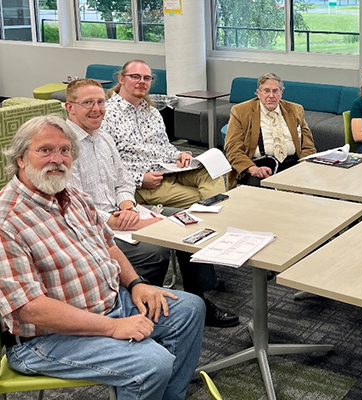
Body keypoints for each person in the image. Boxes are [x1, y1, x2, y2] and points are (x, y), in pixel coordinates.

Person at [0, 115, 205, 399]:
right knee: (151, 364)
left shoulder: (72, 195)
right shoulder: (6, 220)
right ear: (21, 159)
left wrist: (136, 285)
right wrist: (113, 327)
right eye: (45, 150)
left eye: (64, 151)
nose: (57, 159)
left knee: (190, 309)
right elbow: (29, 308)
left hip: (109, 303)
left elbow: (108, 246)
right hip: (46, 339)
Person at [65, 79, 239, 328]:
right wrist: (113, 219)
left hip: (125, 212)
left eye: (100, 102)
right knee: (155, 251)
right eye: (87, 103)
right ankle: (142, 306)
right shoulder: (64, 147)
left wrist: (126, 205)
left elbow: (123, 180)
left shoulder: (103, 137)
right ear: (70, 107)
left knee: (190, 224)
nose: (96, 109)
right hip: (93, 226)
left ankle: (199, 297)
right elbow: (72, 203)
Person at [102, 59, 226, 208]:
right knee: (203, 199)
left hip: (168, 169)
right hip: (145, 183)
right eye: (135, 76)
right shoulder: (106, 114)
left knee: (212, 173)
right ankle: (217, 221)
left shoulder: (152, 112)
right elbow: (105, 164)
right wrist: (139, 179)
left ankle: (216, 219)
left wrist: (179, 155)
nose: (142, 82)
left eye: (146, 78)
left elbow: (164, 146)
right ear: (121, 79)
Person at [224, 72, 316, 187]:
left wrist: (301, 167)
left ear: (281, 93)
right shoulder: (241, 111)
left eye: (275, 91)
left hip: (292, 164)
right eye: (266, 91)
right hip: (259, 166)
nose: (271, 96)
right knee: (264, 193)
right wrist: (252, 168)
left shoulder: (295, 110)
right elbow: (232, 148)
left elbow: (308, 146)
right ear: (258, 93)